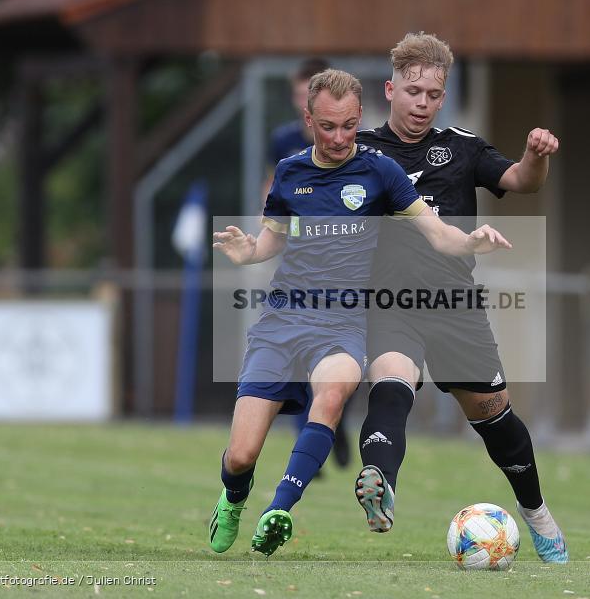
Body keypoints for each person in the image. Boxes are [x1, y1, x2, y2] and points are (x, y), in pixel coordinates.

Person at [209, 68, 512, 557]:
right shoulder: (290, 172)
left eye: (350, 125)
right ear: (308, 120)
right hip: (284, 321)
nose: (340, 137)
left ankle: (278, 511)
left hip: (345, 323)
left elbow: (437, 233)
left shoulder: (380, 172)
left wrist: (470, 240)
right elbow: (272, 240)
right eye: (328, 126)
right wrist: (248, 252)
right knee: (242, 455)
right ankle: (234, 497)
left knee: (330, 399)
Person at [353, 32, 569, 563]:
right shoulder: (362, 154)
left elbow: (523, 181)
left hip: (454, 307)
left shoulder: (464, 146)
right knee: (391, 383)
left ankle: (538, 514)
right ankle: (380, 481)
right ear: (391, 89)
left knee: (494, 418)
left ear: (442, 95)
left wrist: (535, 156)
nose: (423, 103)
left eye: (433, 93)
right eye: (413, 91)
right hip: (389, 304)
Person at [266, 57, 353, 470]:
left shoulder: (350, 147)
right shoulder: (284, 144)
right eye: (299, 94)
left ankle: (334, 423)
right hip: (299, 263)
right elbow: (273, 189)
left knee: (341, 356)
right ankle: (308, 435)